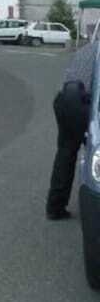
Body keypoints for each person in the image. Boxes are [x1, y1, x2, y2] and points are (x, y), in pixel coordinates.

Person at [46, 44, 95, 220]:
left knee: (66, 153)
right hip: (82, 103)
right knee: (94, 151)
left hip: (63, 100)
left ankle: (55, 206)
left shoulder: (86, 49)